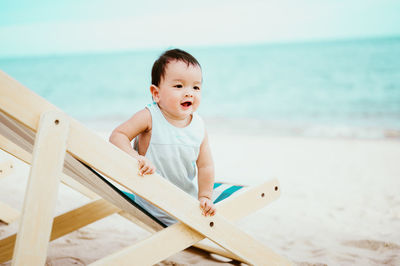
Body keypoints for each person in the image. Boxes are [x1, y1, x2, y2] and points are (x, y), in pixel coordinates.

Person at [109, 48, 216, 226]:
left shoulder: (199, 126)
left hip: (186, 207)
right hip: (150, 204)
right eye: (178, 86)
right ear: (156, 93)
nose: (189, 92)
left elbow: (205, 166)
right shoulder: (150, 117)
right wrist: (136, 158)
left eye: (196, 87)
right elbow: (117, 136)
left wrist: (205, 196)